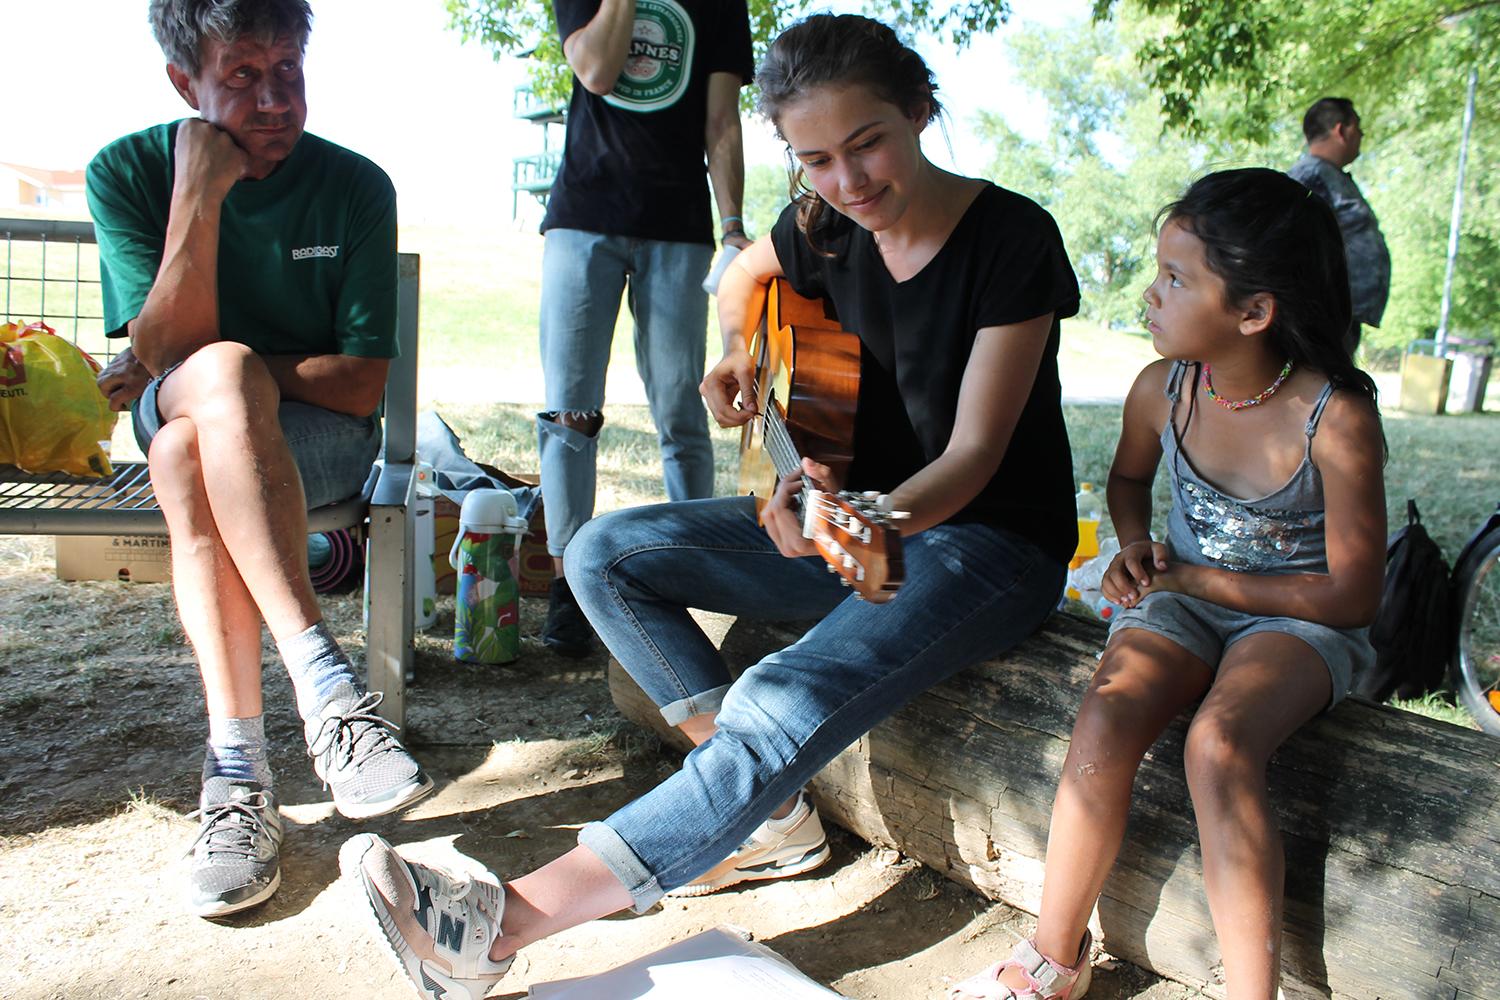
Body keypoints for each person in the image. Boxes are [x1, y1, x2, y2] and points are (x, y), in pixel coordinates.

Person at [339, 14, 1081, 999]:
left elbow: (975, 455)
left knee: (779, 696)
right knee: (605, 550)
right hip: (854, 517)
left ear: (920, 109)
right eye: (815, 158)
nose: (849, 180)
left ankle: (498, 927)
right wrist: (739, 356)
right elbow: (743, 278)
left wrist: (846, 519)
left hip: (982, 543)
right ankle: (770, 818)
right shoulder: (821, 225)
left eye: (869, 144)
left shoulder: (1011, 238)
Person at [950, 168, 1386, 1000]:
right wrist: (1139, 545)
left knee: (1218, 746)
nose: (1150, 294)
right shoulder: (1163, 390)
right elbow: (1127, 483)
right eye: (1159, 271)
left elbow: (1352, 598)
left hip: (1301, 621)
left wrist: (1199, 579)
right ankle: (1051, 957)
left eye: (1176, 279)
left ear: (1254, 312)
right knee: (1106, 714)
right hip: (1184, 597)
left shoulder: (1335, 418)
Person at [87, 0, 431, 919]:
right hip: (197, 408)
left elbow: (359, 385)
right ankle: (328, 694)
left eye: (290, 69)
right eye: (241, 74)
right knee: (216, 384)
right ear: (182, 83)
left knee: (198, 447)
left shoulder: (355, 186)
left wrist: (236, 378)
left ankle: (236, 783)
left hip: (309, 439)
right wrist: (198, 189)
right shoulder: (127, 172)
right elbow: (172, 346)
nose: (275, 97)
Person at [535, 0, 756, 657]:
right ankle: (568, 582)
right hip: (583, 217)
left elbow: (721, 121)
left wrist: (733, 224)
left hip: (680, 226)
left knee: (683, 410)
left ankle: (697, 572)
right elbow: (598, 70)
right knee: (569, 411)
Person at [1288, 97, 1390, 356]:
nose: (1362, 136)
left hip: (1339, 313)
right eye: (1359, 128)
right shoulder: (1310, 176)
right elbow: (1290, 242)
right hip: (1322, 312)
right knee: (1322, 387)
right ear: (1341, 130)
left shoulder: (1327, 175)